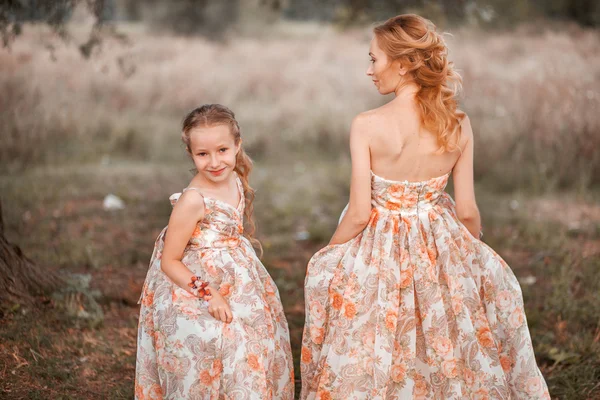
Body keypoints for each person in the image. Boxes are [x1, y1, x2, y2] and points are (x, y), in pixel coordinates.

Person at [301, 14, 550, 399]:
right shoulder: (458, 123)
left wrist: (329, 254)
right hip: (439, 238)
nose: (369, 70)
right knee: (442, 332)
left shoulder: (366, 125)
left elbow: (359, 214)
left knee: (379, 332)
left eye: (374, 59)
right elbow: (467, 210)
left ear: (402, 63)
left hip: (378, 247)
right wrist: (468, 256)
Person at [135, 104, 294, 400]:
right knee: (215, 345)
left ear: (237, 146)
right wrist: (211, 295)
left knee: (254, 342)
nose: (214, 162)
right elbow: (169, 261)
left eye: (222, 150)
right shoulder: (193, 201)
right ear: (191, 155)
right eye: (202, 154)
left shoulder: (234, 179)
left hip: (238, 274)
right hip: (195, 285)